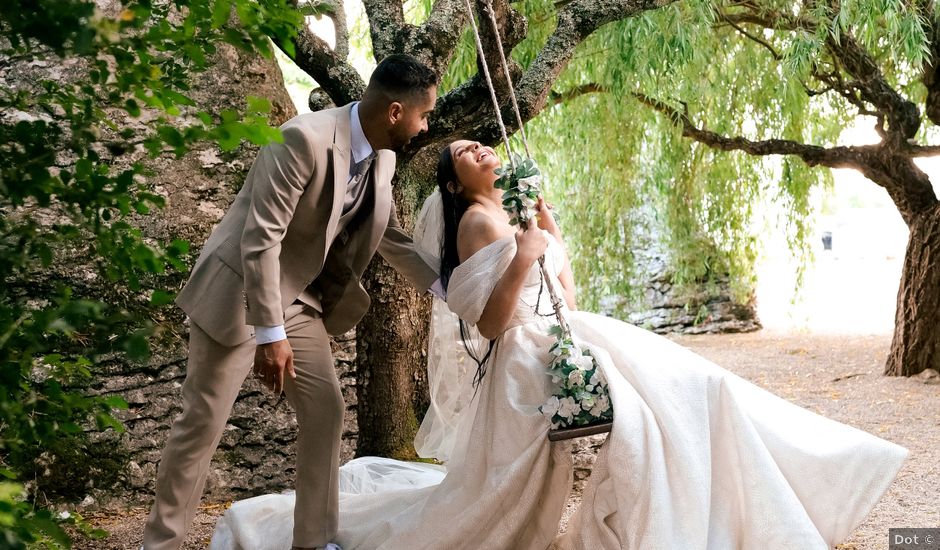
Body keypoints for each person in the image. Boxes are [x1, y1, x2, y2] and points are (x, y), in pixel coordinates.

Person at [209, 140, 908, 550]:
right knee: (504, 494)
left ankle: (771, 494)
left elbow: (565, 302)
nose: (483, 150)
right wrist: (523, 254)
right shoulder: (477, 226)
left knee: (698, 388)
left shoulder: (510, 214)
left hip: (569, 339)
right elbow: (491, 324)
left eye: (483, 145)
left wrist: (547, 234)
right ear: (458, 180)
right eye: (467, 153)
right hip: (528, 359)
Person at [142, 54, 441, 550]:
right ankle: (161, 544)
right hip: (240, 292)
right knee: (201, 425)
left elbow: (387, 232)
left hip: (299, 297)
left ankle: (314, 542)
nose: (424, 126)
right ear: (394, 112)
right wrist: (270, 334)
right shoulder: (300, 138)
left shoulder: (383, 157)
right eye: (423, 115)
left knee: (326, 409)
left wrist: (453, 286)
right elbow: (260, 240)